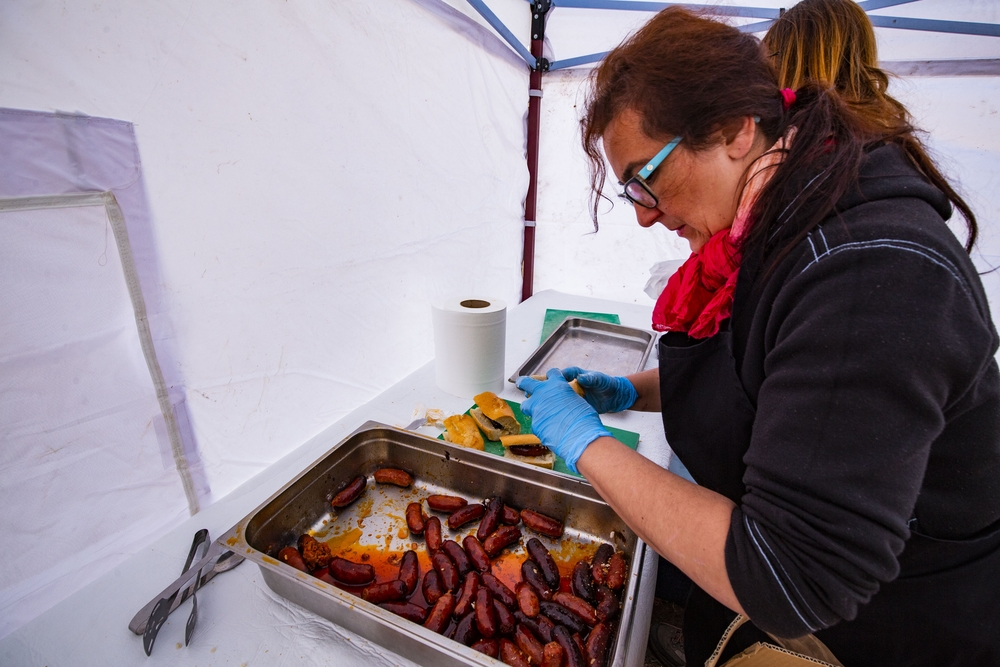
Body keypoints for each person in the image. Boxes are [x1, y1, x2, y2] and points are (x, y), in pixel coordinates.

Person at [516, 7, 1000, 666]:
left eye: (644, 179)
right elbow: (774, 372)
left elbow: (787, 576)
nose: (645, 216)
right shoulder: (786, 212)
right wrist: (632, 389)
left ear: (737, 131)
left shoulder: (867, 272)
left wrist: (587, 444)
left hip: (888, 630)